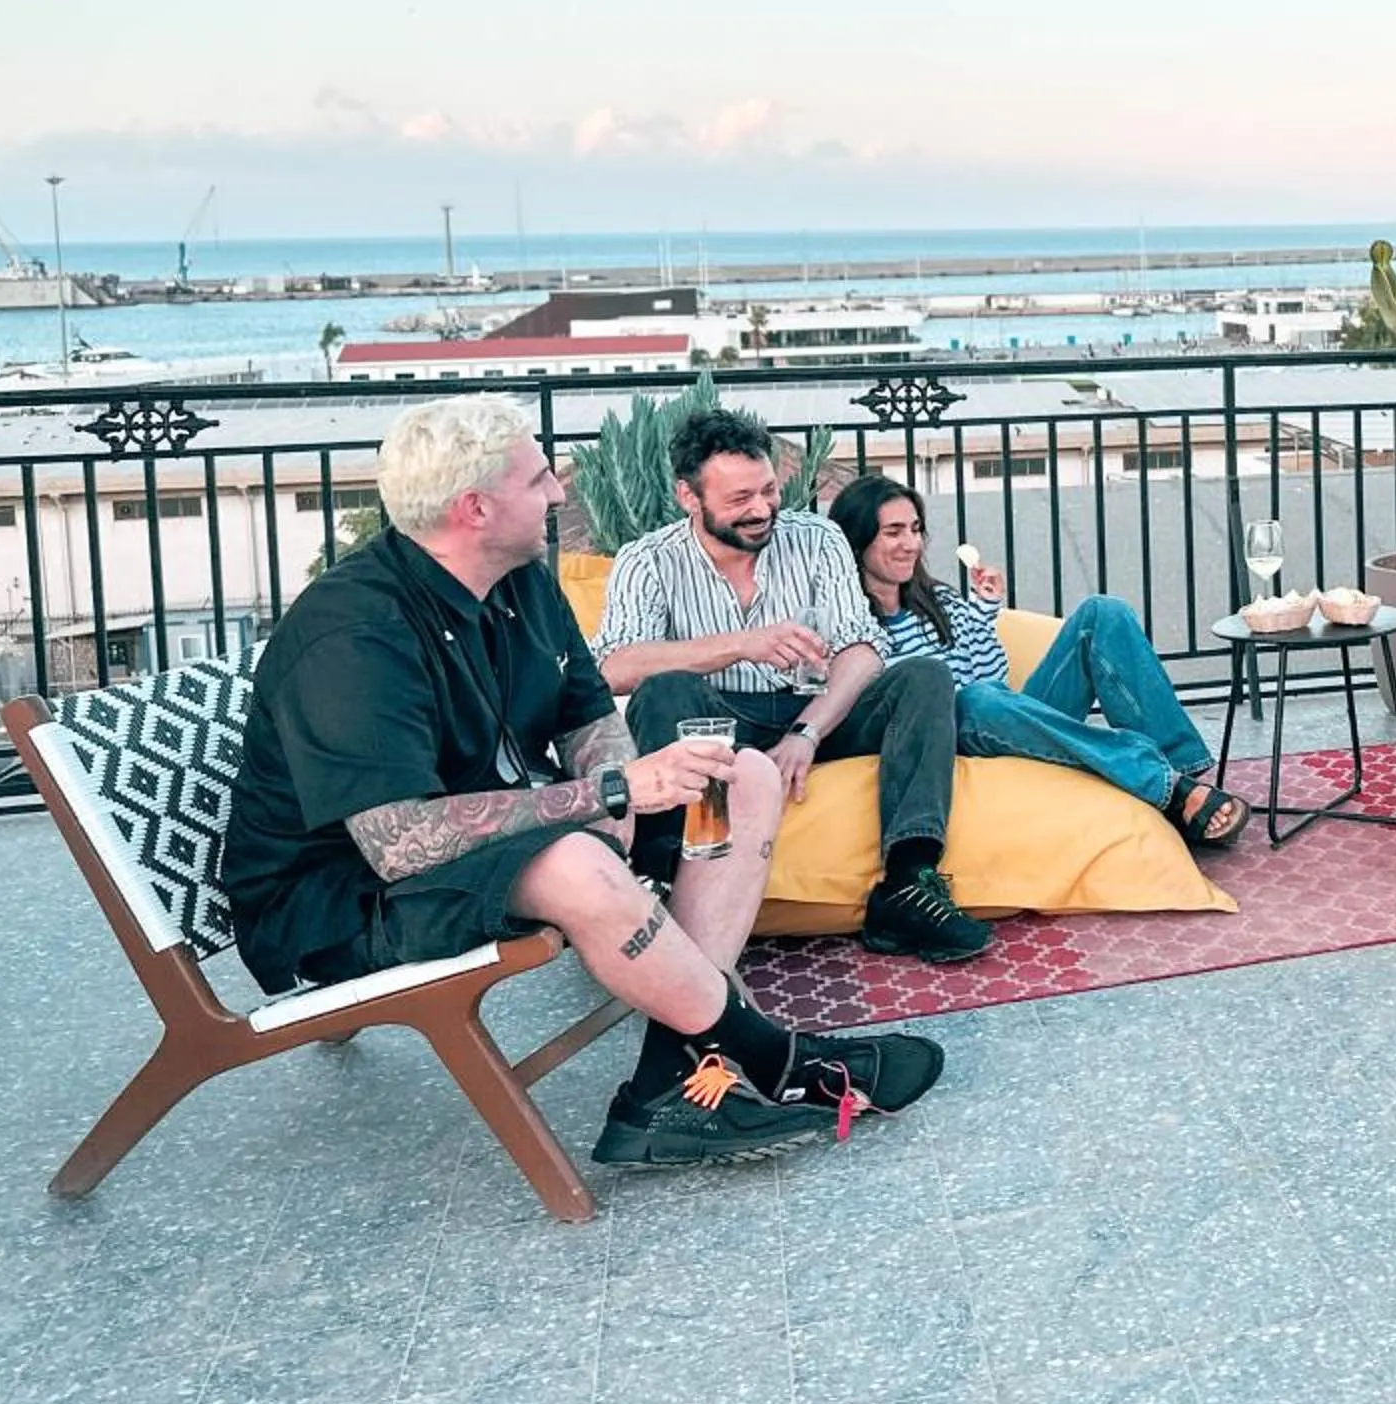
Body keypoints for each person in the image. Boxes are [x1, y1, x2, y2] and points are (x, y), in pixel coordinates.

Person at [225, 395, 942, 1168]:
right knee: (575, 862)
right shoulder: (354, 632)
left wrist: (610, 785)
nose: (557, 493)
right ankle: (777, 1058)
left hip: (485, 838)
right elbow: (399, 842)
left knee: (742, 778)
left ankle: (670, 1083)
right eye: (537, 479)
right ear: (475, 509)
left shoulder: (519, 581)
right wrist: (608, 795)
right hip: (348, 897)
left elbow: (586, 712)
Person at [591, 407, 984, 966]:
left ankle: (907, 884)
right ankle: (658, 878)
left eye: (769, 491)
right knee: (665, 689)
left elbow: (862, 648)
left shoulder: (817, 539)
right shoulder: (647, 561)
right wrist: (741, 644)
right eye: (739, 499)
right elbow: (615, 665)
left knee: (923, 676)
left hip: (814, 708)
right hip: (717, 719)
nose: (761, 510)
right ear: (689, 497)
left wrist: (807, 732)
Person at [826, 473, 1249, 849]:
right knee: (974, 701)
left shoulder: (937, 601)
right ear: (857, 541)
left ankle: (1182, 777)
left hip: (1001, 723)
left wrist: (983, 614)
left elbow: (991, 677)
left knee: (1103, 613)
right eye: (894, 532)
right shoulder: (845, 624)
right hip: (947, 746)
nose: (911, 544)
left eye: (916, 529)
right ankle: (1165, 786)